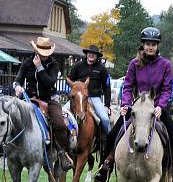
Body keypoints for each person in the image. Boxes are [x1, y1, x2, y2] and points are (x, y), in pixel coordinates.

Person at [94, 27, 173, 182]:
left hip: (158, 108)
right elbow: (128, 85)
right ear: (143, 45)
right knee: (112, 134)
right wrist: (126, 104)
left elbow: (167, 88)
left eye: (153, 44)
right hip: (137, 108)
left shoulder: (165, 65)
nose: (150, 47)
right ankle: (106, 166)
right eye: (147, 44)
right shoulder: (134, 63)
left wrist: (160, 106)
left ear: (158, 46)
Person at [14, 37, 73, 170]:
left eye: (46, 54)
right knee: (11, 117)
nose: (44, 56)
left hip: (49, 100)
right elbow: (18, 79)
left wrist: (40, 67)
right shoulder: (27, 62)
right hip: (29, 99)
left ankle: (62, 153)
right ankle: (6, 149)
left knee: (59, 123)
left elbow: (50, 82)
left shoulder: (53, 64)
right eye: (41, 53)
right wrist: (17, 86)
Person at [67, 44, 112, 148]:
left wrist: (107, 105)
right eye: (90, 53)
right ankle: (63, 141)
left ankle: (108, 141)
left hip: (95, 97)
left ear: (97, 56)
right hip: (79, 97)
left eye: (94, 54)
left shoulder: (102, 69)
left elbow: (107, 87)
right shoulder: (78, 66)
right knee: (63, 114)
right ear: (87, 54)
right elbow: (70, 81)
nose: (91, 55)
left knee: (105, 119)